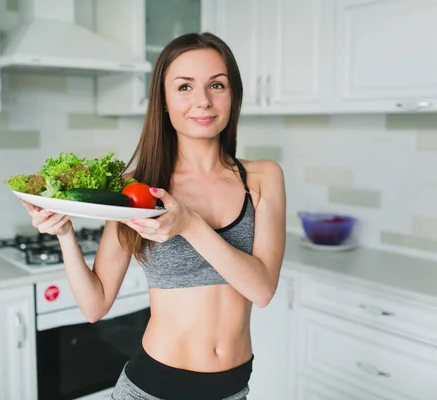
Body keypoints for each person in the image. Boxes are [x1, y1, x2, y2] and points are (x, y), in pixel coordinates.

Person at [20, 32, 286, 400]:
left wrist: (190, 224)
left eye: (216, 85)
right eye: (184, 87)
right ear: (163, 100)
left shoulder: (262, 178)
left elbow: (262, 289)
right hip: (154, 389)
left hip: (232, 390)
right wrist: (65, 234)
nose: (203, 101)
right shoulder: (138, 190)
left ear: (233, 94)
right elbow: (95, 305)